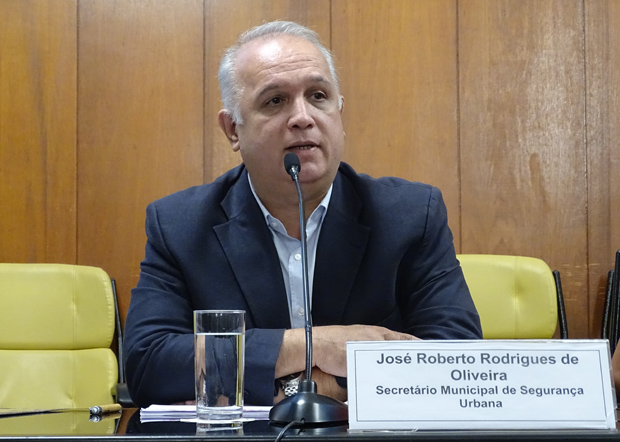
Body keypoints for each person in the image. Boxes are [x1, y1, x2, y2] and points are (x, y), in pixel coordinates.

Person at [124, 20, 482, 408]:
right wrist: (316, 345)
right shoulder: (180, 225)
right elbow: (150, 365)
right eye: (275, 101)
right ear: (232, 130)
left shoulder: (409, 215)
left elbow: (455, 358)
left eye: (318, 96)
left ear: (339, 111)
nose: (302, 116)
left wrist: (300, 385)